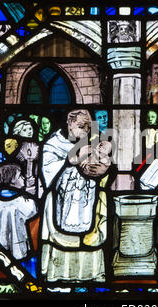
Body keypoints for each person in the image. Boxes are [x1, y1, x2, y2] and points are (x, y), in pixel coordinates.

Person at [40, 109, 111, 283]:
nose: (85, 130)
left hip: (87, 203)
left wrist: (105, 169)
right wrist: (70, 160)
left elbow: (105, 174)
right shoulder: (53, 144)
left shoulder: (95, 143)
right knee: (62, 240)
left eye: (88, 127)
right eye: (80, 126)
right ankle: (60, 277)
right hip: (61, 203)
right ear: (69, 123)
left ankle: (89, 275)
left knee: (90, 238)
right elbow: (47, 172)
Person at [0, 164, 37, 260]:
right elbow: (31, 211)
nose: (23, 178)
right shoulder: (18, 200)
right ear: (12, 180)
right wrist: (30, 195)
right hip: (16, 246)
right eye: (20, 176)